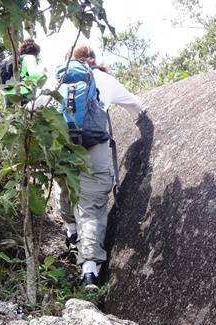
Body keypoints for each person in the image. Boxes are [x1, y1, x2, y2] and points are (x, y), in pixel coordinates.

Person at [54, 44, 143, 289]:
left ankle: (71, 230)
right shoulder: (104, 79)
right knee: (92, 206)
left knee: (64, 185)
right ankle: (89, 272)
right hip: (94, 147)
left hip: (62, 145)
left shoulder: (58, 80)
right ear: (92, 59)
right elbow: (135, 104)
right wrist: (142, 116)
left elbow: (36, 107)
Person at [0, 38, 46, 105]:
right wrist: (43, 71)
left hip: (7, 96)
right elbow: (34, 74)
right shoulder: (29, 57)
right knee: (30, 113)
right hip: (22, 94)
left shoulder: (14, 59)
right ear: (36, 52)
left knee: (13, 115)